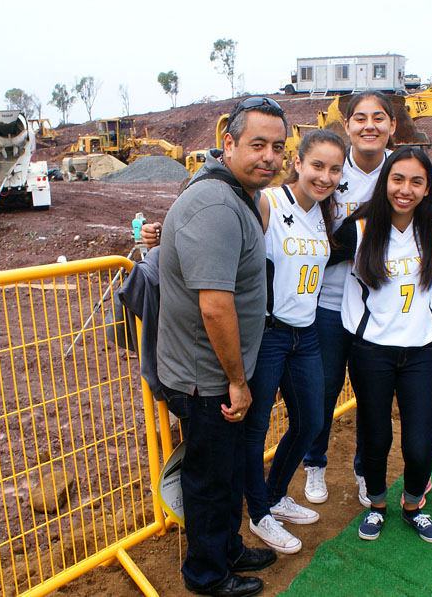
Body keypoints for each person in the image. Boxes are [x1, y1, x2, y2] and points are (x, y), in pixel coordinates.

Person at [156, 97, 286, 597]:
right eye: (258, 145)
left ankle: (226, 546)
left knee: (227, 469)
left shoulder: (238, 195)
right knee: (210, 479)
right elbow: (214, 306)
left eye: (277, 147)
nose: (270, 157)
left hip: (219, 374)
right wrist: (235, 380)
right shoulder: (214, 203)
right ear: (228, 144)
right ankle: (206, 575)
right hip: (206, 378)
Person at [334, 147, 432, 544]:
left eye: (417, 181)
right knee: (376, 435)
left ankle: (413, 505)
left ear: (427, 187)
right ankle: (378, 505)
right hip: (371, 350)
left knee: (419, 443)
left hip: (421, 349)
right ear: (385, 182)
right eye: (398, 179)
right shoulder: (358, 229)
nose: (405, 189)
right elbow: (312, 256)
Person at [243, 130, 346, 555]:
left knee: (310, 421)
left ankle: (276, 493)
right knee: (256, 428)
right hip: (269, 334)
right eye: (317, 165)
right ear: (298, 162)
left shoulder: (323, 212)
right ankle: (258, 514)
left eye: (335, 169)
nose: (325, 176)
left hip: (305, 334)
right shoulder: (269, 202)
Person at [301, 91, 397, 508]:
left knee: (372, 395)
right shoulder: (333, 170)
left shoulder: (402, 168)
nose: (369, 125)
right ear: (347, 126)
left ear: (392, 125)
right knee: (323, 389)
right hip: (328, 301)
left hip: (378, 305)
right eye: (360, 118)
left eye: (379, 118)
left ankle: (364, 469)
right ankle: (314, 463)